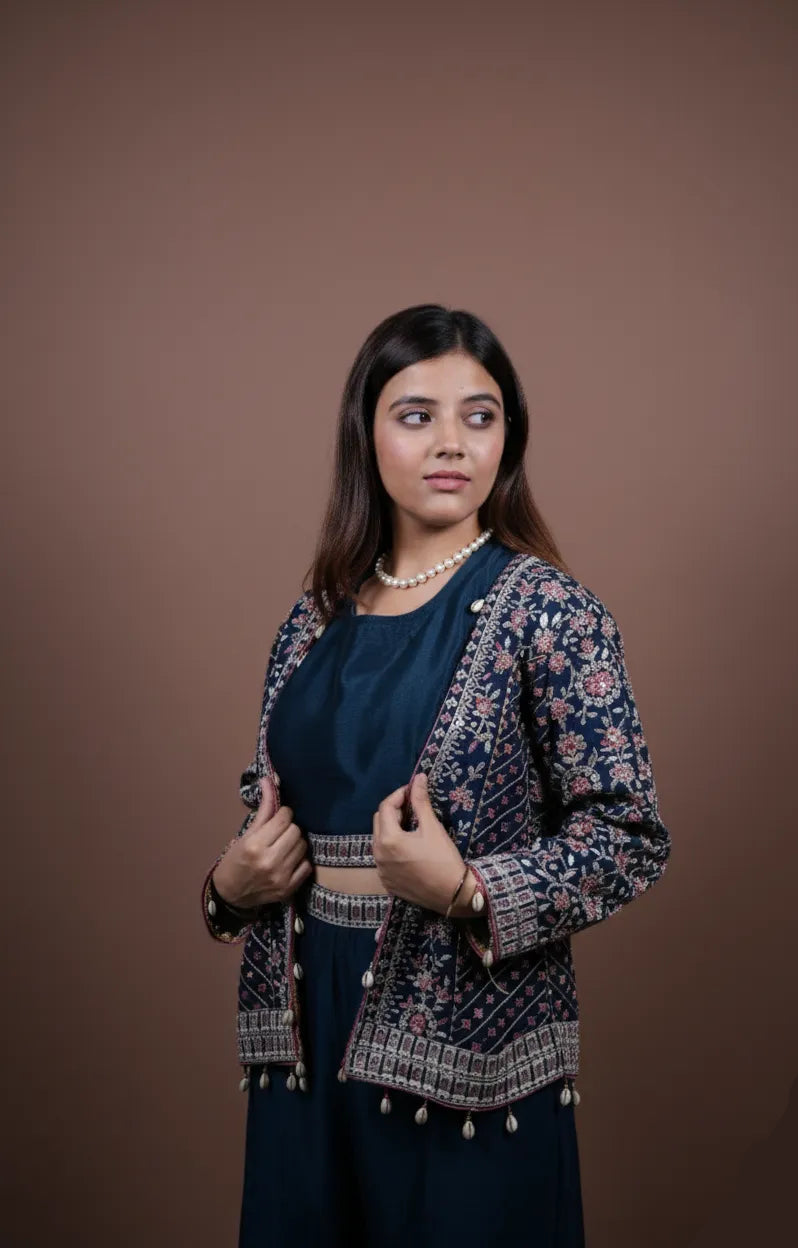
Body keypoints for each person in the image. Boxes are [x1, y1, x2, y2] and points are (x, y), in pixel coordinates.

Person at [199, 303, 672, 1247]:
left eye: (481, 415)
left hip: (463, 1041)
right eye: (417, 414)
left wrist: (467, 887)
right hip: (303, 1027)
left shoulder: (550, 612)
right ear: (365, 435)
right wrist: (224, 891)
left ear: (510, 437)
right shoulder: (314, 619)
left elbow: (630, 837)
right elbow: (268, 823)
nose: (452, 442)